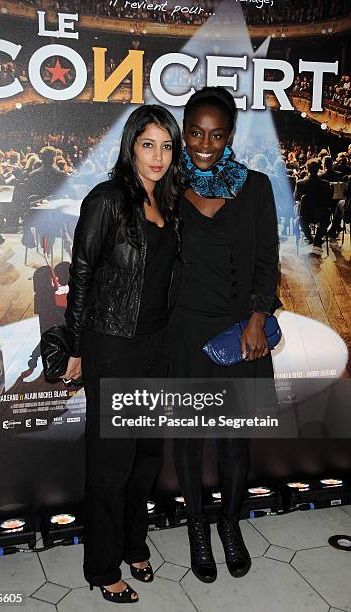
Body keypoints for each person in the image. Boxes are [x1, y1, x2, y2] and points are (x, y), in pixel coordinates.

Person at [63, 105, 182, 603]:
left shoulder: (169, 204)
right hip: (113, 346)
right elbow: (82, 274)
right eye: (148, 144)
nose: (158, 156)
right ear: (131, 145)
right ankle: (101, 565)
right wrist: (75, 347)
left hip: (157, 346)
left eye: (166, 146)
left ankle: (135, 542)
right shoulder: (109, 199)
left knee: (147, 457)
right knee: (112, 464)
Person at [169, 87, 279, 584]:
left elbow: (266, 260)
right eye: (195, 132)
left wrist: (257, 318)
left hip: (240, 331)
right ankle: (197, 527)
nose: (204, 143)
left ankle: (229, 524)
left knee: (235, 442)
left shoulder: (255, 187)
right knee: (191, 441)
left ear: (230, 135)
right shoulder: (166, 187)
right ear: (183, 132)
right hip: (184, 330)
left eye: (216, 134)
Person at [294, 158, 333, 247]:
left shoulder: (300, 184)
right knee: (327, 217)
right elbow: (329, 199)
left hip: (305, 215)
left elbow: (295, 197)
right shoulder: (326, 184)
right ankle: (318, 238)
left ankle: (308, 237)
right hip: (321, 215)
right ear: (319, 168)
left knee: (299, 216)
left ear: (307, 169)